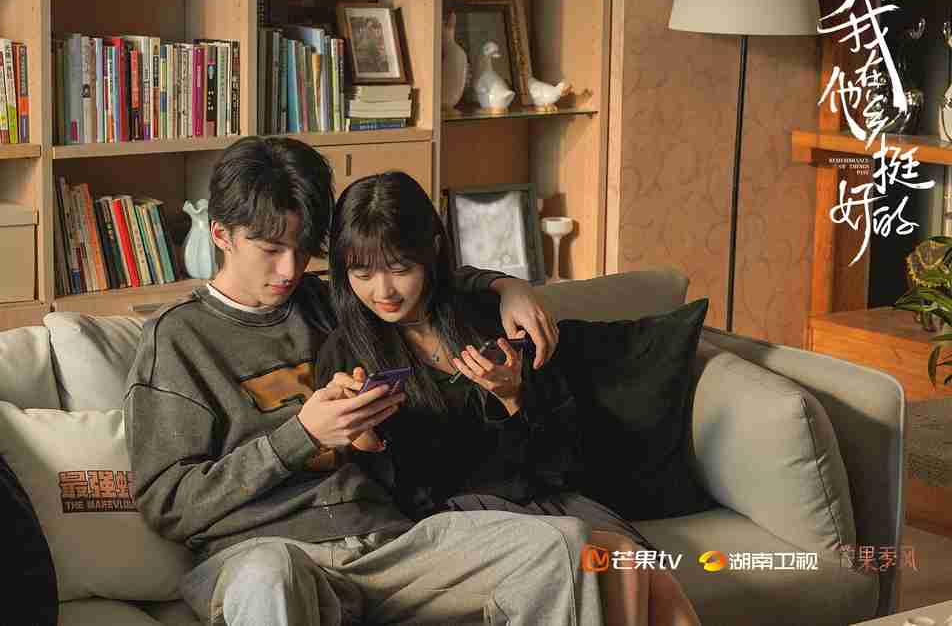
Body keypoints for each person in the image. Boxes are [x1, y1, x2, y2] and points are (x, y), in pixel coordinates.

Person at [123, 136, 605, 626]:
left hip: (385, 545)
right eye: (270, 249)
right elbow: (168, 504)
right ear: (221, 234)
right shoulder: (178, 337)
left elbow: (411, 271)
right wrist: (301, 436)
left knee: (561, 545)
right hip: (266, 554)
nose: (289, 270)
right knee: (271, 574)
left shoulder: (327, 301)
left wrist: (506, 287)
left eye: (302, 249)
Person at [316, 172, 702, 626]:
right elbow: (381, 504)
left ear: (432, 251)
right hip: (456, 513)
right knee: (614, 562)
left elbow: (563, 453)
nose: (382, 291)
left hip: (541, 492)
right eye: (362, 274)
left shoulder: (489, 315)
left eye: (400, 269)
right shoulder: (345, 354)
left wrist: (512, 397)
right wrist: (364, 438)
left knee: (637, 568)